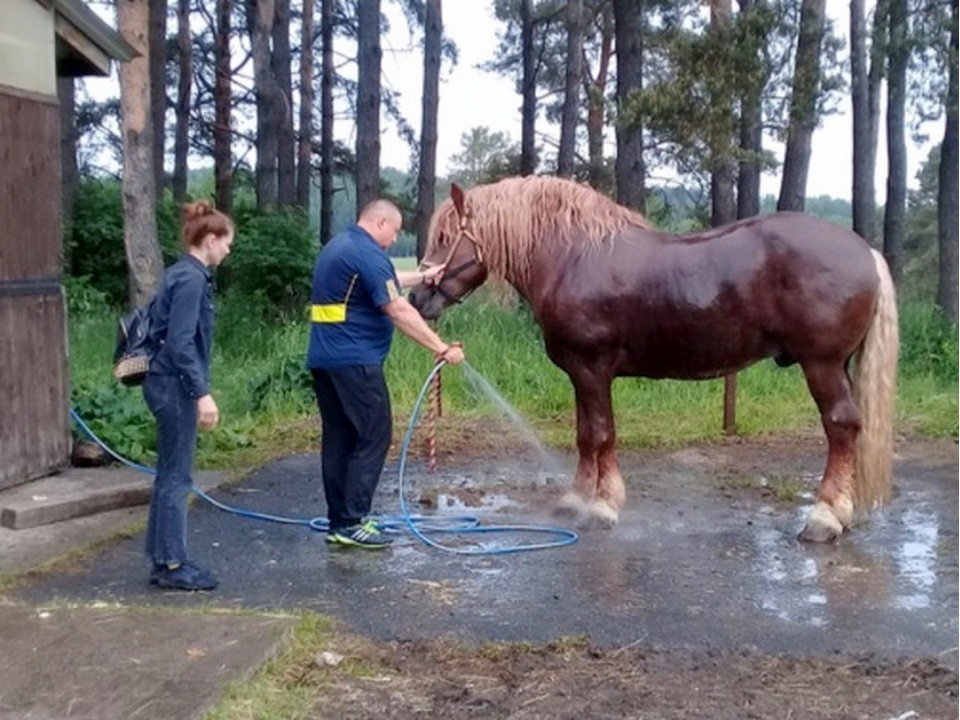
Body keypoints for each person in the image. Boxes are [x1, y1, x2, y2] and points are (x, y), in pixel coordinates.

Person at [308, 199, 465, 549]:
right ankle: (352, 521)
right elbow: (397, 308)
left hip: (326, 360)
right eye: (394, 232)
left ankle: (340, 521)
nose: (394, 240)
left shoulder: (341, 247)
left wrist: (423, 277)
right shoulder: (366, 253)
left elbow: (385, 279)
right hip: (356, 362)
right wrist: (439, 347)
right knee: (373, 435)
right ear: (379, 222)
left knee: (340, 440)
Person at [142, 201, 235, 590]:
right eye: (226, 243)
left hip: (164, 382)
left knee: (168, 474)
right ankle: (174, 566)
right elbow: (180, 343)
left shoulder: (180, 273)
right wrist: (202, 394)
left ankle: (163, 558)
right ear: (210, 240)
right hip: (173, 385)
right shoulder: (192, 280)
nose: (228, 251)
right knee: (177, 476)